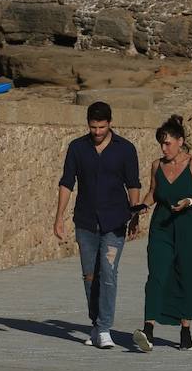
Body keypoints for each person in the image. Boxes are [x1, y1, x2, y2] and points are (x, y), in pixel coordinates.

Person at [54, 101, 142, 350]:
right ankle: (95, 324)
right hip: (85, 221)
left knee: (108, 273)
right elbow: (66, 183)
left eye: (102, 127)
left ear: (110, 123)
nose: (97, 132)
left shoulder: (125, 149)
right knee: (90, 276)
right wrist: (58, 217)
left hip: (115, 222)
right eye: (93, 127)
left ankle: (104, 328)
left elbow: (133, 184)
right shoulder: (77, 148)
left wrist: (135, 215)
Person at [134, 115, 192, 354]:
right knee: (156, 273)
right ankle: (148, 329)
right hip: (163, 226)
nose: (164, 148)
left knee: (186, 275)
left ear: (180, 141)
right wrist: (142, 207)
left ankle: (185, 329)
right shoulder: (157, 166)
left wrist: (188, 201)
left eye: (168, 143)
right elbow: (153, 192)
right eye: (161, 143)